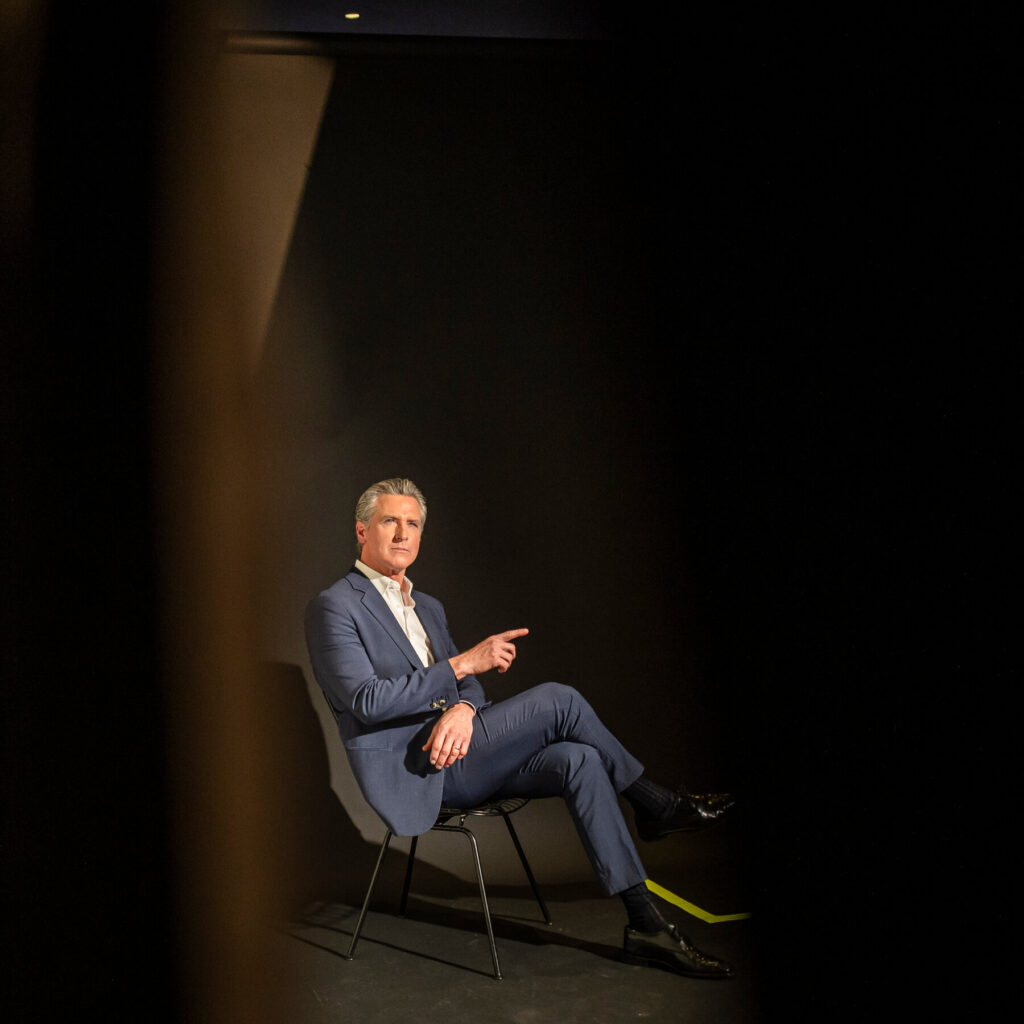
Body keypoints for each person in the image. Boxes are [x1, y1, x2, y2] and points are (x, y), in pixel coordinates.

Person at [305, 477, 736, 978]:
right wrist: (462, 664)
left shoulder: (429, 608)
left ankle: (646, 925)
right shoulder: (335, 605)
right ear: (362, 530)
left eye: (413, 524)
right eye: (389, 521)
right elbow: (366, 700)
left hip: (469, 753)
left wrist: (464, 710)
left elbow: (469, 688)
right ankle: (656, 804)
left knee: (580, 758)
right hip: (422, 769)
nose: (403, 534)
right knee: (560, 700)